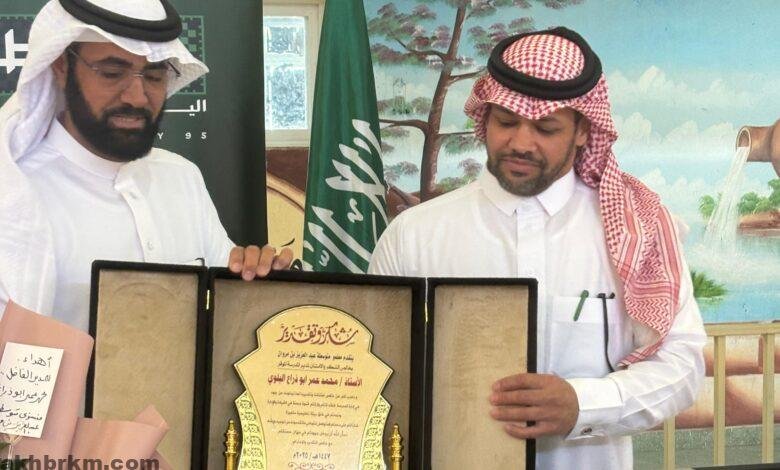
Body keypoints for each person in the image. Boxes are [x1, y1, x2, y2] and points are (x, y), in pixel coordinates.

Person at [369, 27, 706, 469]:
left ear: (583, 130)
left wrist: (585, 405)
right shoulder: (414, 234)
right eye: (506, 122)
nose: (521, 143)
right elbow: (374, 368)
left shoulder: (637, 230)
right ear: (485, 117)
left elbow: (681, 366)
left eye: (546, 128)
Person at [0, 0, 291, 331]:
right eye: (112, 73)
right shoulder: (13, 194)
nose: (137, 97)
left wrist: (258, 279)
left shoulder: (181, 176)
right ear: (61, 66)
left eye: (154, 76)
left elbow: (224, 296)